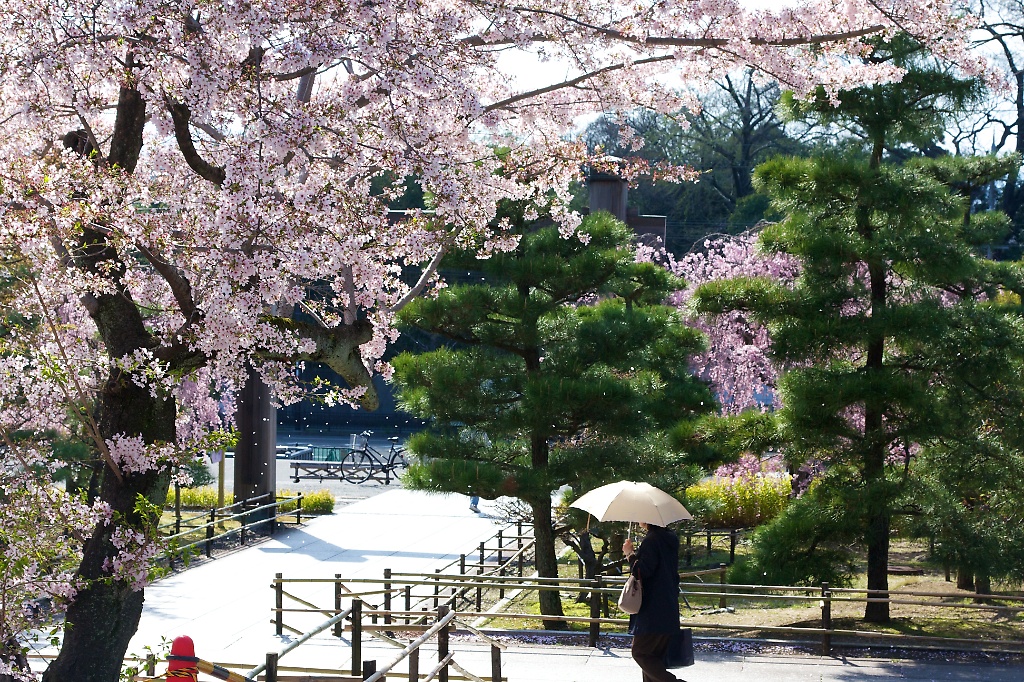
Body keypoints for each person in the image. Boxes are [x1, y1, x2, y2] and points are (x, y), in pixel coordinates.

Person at [623, 522, 681, 682]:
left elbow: (643, 571)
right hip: (667, 604)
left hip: (652, 608)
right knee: (654, 658)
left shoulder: (652, 540)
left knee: (641, 652)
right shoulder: (670, 537)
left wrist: (630, 555)